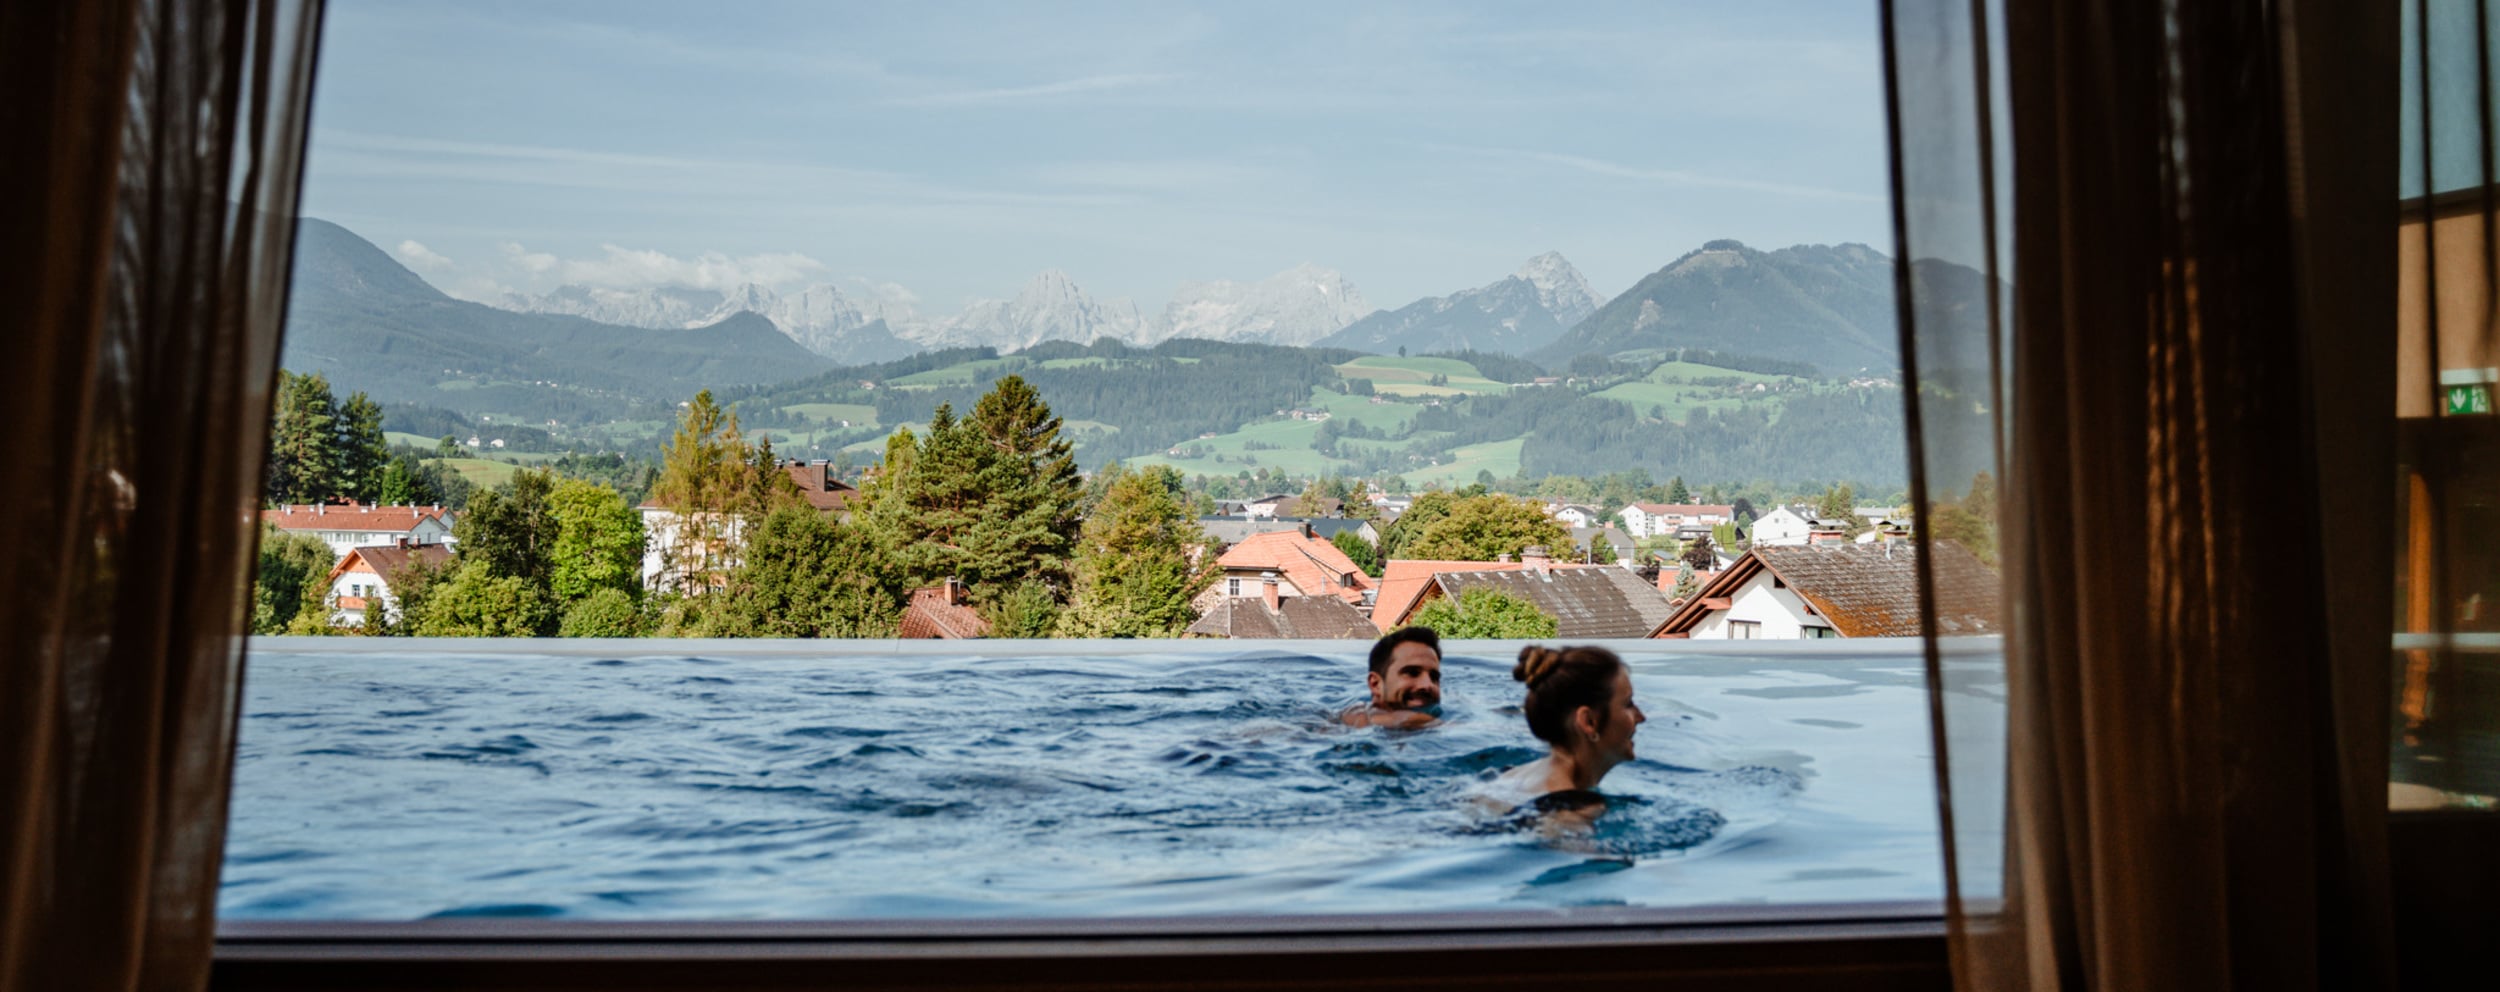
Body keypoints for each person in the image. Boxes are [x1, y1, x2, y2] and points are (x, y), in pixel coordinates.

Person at [1485, 645, 1646, 823]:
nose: (1641, 717)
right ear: (1589, 722)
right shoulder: (1572, 814)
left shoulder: (1509, 776)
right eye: (1628, 704)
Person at [1340, 626, 1443, 728]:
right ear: (1376, 684)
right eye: (1412, 673)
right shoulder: (1356, 718)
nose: (1427, 685)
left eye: (1434, 677)